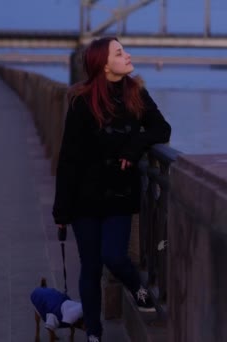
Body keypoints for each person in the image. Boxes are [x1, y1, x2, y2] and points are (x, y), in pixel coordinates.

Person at [52, 36, 171, 342]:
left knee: (115, 257)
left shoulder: (135, 92)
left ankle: (140, 290)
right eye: (120, 53)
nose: (128, 55)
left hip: (120, 195)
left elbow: (161, 128)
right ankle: (94, 333)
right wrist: (61, 209)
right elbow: (68, 157)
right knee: (90, 267)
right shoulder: (81, 101)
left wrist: (134, 147)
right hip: (84, 199)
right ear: (103, 65)